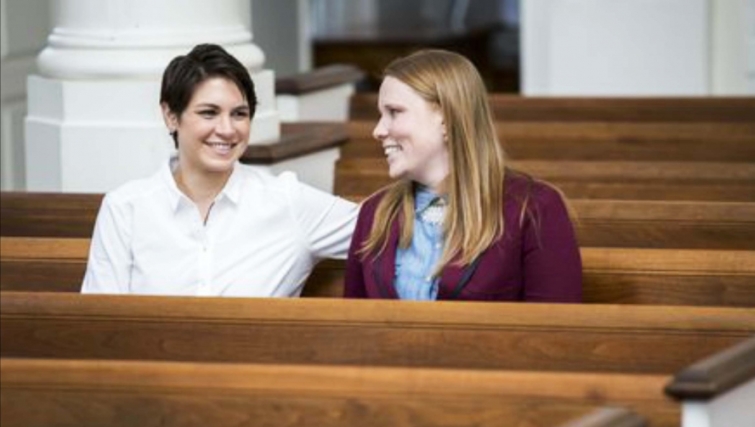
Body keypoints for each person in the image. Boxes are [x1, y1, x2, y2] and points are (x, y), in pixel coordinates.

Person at [81, 44, 358, 297]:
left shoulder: (287, 201)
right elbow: (99, 322)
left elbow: (386, 229)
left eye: (239, 114)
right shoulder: (125, 209)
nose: (227, 130)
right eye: (209, 113)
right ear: (170, 116)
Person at [344, 49, 581, 302]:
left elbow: (555, 331)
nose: (378, 130)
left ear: (446, 117)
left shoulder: (534, 207)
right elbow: (354, 326)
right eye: (381, 115)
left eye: (394, 112)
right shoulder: (374, 213)